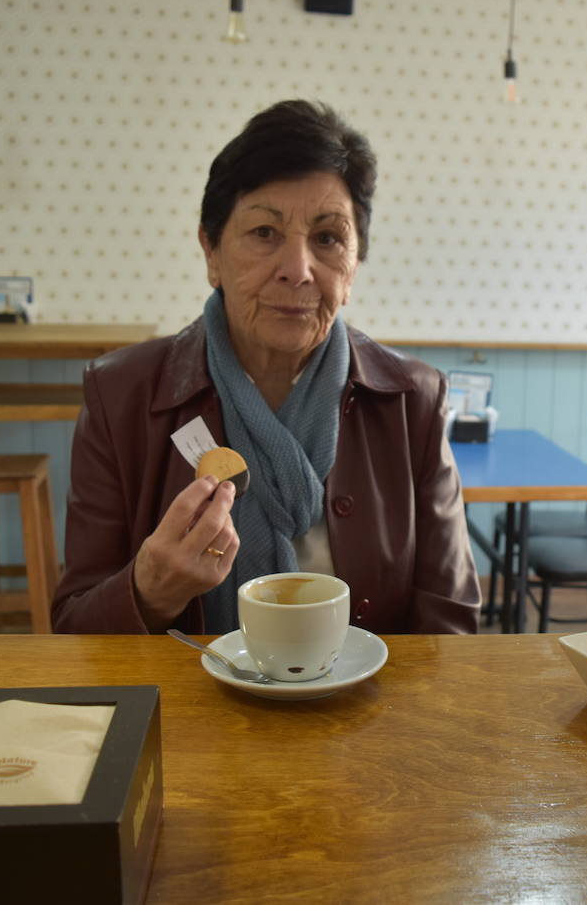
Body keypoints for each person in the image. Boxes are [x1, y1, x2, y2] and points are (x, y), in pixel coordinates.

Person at [53, 100, 480, 635]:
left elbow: (450, 625)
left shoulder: (411, 398)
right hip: (187, 709)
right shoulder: (121, 395)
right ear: (211, 251)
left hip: (367, 710)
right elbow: (74, 629)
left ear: (352, 267)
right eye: (264, 233)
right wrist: (147, 593)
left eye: (327, 239)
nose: (298, 270)